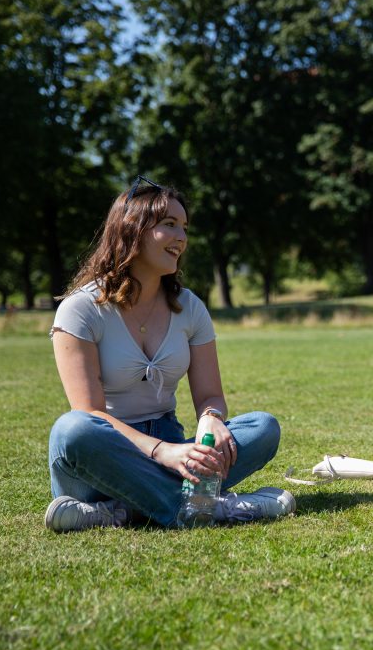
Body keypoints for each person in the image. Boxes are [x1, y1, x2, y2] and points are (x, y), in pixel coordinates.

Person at [45, 175, 294, 532]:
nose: (182, 238)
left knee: (262, 427)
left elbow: (210, 396)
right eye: (169, 225)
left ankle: (125, 511)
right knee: (71, 430)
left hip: (173, 445)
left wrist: (211, 417)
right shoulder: (80, 309)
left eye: (184, 228)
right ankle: (204, 506)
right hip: (103, 455)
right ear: (132, 230)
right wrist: (163, 451)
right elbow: (90, 412)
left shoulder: (189, 308)